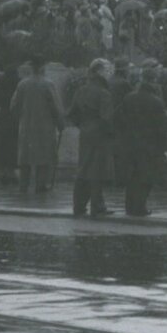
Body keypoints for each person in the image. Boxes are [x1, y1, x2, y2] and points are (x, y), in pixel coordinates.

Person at [116, 68, 167, 218]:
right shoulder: (157, 102)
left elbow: (119, 118)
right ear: (154, 81)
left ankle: (129, 207)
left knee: (132, 176)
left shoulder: (129, 97)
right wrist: (163, 149)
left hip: (130, 143)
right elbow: (161, 128)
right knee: (146, 177)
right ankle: (140, 207)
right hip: (149, 145)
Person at [68, 58, 117, 217]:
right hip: (100, 135)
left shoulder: (81, 90)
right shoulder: (103, 92)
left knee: (83, 168)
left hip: (86, 132)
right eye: (107, 70)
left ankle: (79, 205)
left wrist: (83, 125)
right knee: (97, 171)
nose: (110, 73)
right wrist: (111, 133)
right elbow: (107, 118)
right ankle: (97, 205)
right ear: (99, 72)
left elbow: (72, 113)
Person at [11, 58, 63, 195]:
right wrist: (60, 123)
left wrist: (20, 119)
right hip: (44, 127)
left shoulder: (22, 84)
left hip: (26, 126)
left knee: (25, 160)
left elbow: (14, 106)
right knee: (44, 158)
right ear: (42, 68)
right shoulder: (48, 84)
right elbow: (55, 108)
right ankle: (40, 186)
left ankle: (23, 186)